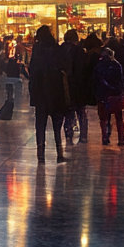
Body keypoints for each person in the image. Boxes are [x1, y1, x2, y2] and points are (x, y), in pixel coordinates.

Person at [28, 26, 71, 163]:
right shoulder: (57, 49)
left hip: (40, 92)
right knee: (57, 123)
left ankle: (40, 154)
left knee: (40, 123)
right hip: (55, 91)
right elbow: (64, 67)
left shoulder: (37, 49)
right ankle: (59, 152)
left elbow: (32, 68)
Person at [93, 47, 124, 146]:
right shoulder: (117, 65)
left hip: (103, 94)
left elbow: (96, 80)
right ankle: (121, 138)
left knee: (103, 118)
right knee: (119, 116)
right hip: (117, 94)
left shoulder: (99, 66)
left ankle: (105, 137)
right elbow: (121, 78)